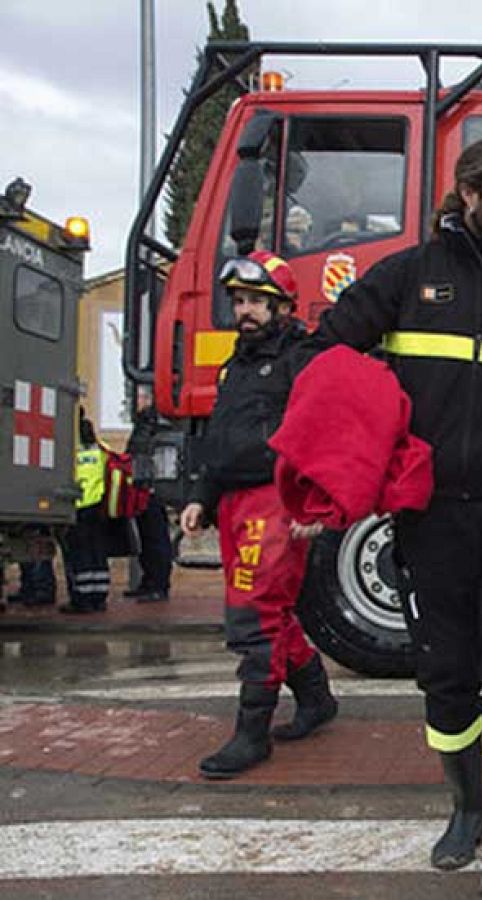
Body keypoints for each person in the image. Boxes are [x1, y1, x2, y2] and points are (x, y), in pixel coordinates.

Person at [311, 136, 482, 899]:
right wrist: (373, 439)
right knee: (447, 673)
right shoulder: (409, 276)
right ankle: (466, 808)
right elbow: (325, 357)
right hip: (430, 515)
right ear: (470, 194)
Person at [179, 250, 340, 779]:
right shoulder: (236, 365)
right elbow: (217, 438)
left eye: (256, 302)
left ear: (283, 307)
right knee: (269, 611)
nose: (244, 311)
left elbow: (322, 433)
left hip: (275, 501)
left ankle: (252, 734)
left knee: (254, 616)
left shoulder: (300, 358)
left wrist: (316, 503)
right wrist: (201, 495)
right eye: (240, 301)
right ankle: (316, 698)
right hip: (233, 503)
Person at [59, 409, 110, 615]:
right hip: (97, 505)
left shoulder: (67, 442)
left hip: (76, 505)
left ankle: (81, 599)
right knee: (97, 553)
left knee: (78, 556)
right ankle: (99, 596)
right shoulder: (97, 446)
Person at [125, 392, 173, 603]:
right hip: (142, 486)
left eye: (142, 397)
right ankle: (149, 582)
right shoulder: (146, 421)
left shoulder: (154, 421)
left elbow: (146, 452)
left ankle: (158, 585)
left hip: (151, 488)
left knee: (155, 539)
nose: (137, 401)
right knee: (146, 538)